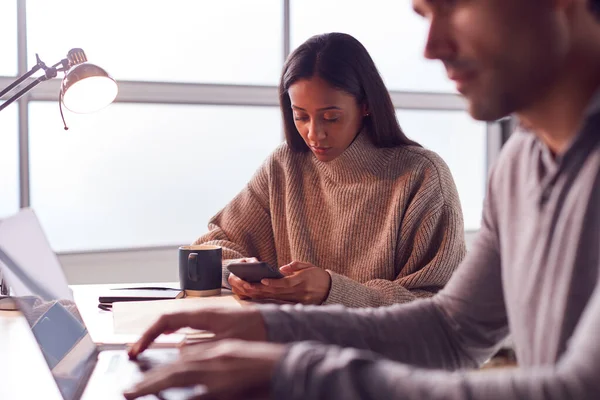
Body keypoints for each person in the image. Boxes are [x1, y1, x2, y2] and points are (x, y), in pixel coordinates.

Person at [123, 0, 600, 397]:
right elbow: (452, 331)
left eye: (455, 5)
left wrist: (295, 366)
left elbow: (577, 388)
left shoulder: (422, 173)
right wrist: (269, 328)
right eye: (424, 13)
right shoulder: (519, 163)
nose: (431, 47)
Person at [192, 32, 466, 307]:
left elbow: (438, 306)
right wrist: (233, 273)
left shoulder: (423, 176)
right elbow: (212, 245)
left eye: (331, 118)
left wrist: (331, 292)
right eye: (300, 116)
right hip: (290, 344)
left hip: (378, 349)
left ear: (366, 105)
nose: (314, 134)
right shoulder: (284, 166)